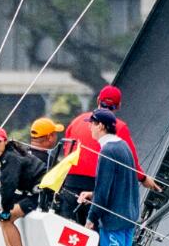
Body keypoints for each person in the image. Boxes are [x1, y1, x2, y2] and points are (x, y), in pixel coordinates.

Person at [60, 85, 160, 224]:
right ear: (119, 105)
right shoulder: (118, 127)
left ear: (98, 100)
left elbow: (67, 148)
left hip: (70, 182)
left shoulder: (77, 121)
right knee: (93, 236)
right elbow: (130, 161)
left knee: (67, 231)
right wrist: (143, 179)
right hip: (97, 185)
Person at [78, 109, 140, 246]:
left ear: (101, 126)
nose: (89, 127)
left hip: (113, 218)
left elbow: (104, 191)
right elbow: (117, 184)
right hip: (128, 214)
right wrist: (92, 193)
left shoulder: (106, 151)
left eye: (92, 123)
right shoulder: (123, 146)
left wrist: (91, 219)